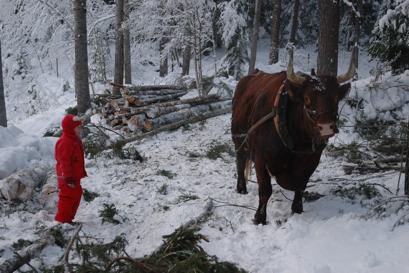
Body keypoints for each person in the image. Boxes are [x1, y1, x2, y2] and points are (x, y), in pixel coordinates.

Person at [54, 114, 87, 224]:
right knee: (67, 198)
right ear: (70, 128)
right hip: (67, 178)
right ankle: (61, 222)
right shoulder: (66, 142)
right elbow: (64, 162)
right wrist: (67, 177)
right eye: (77, 127)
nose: (80, 130)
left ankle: (68, 220)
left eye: (80, 127)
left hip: (74, 177)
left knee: (76, 195)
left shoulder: (74, 140)